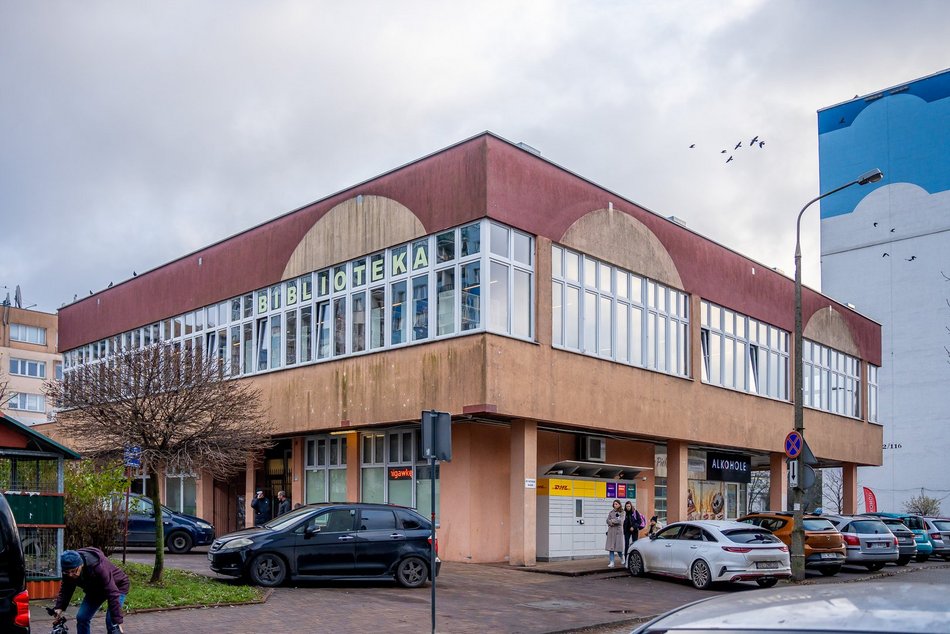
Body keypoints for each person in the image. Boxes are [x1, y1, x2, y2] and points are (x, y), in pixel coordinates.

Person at [53, 547, 129, 634]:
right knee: (82, 618)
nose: (70, 575)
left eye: (73, 571)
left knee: (112, 623)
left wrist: (117, 621)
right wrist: (60, 607)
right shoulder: (69, 567)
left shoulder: (98, 567)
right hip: (95, 590)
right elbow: (66, 588)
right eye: (67, 572)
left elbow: (112, 592)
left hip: (117, 586)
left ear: (81, 564)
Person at [605, 499, 624, 568]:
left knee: (618, 548)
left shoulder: (622, 512)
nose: (615, 505)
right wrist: (611, 522)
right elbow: (607, 520)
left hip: (618, 532)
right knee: (611, 548)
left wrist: (612, 521)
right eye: (614, 504)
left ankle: (622, 557)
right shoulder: (611, 512)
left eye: (616, 504)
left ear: (619, 504)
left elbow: (620, 521)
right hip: (611, 531)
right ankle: (611, 562)